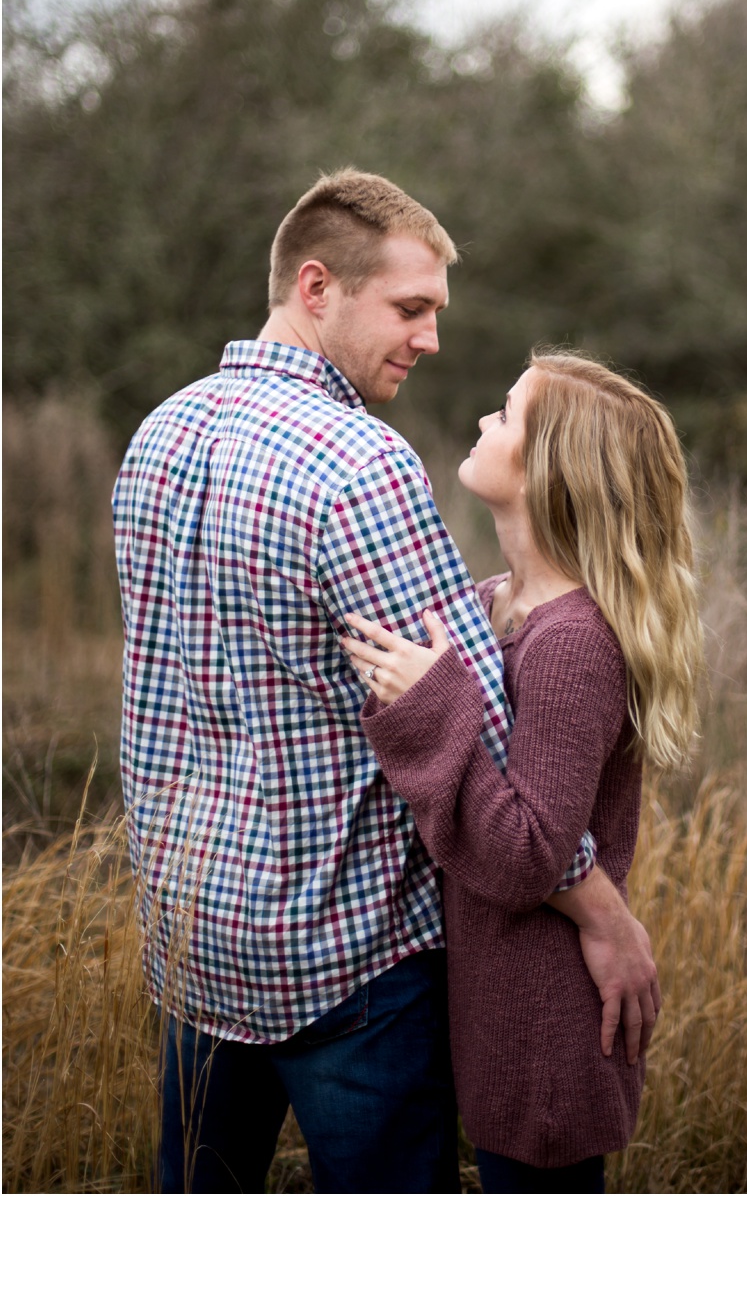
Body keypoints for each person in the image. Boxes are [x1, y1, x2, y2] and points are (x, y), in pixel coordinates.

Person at [114, 169, 658, 1193]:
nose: (431, 338)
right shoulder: (360, 466)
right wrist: (604, 913)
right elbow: (492, 745)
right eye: (410, 308)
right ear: (317, 288)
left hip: (193, 941)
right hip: (346, 957)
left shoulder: (158, 434)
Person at [339, 351, 702, 1193]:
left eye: (504, 416)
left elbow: (529, 851)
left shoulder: (573, 643)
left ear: (550, 471)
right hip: (495, 1010)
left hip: (547, 1027)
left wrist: (430, 706)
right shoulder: (494, 602)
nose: (480, 423)